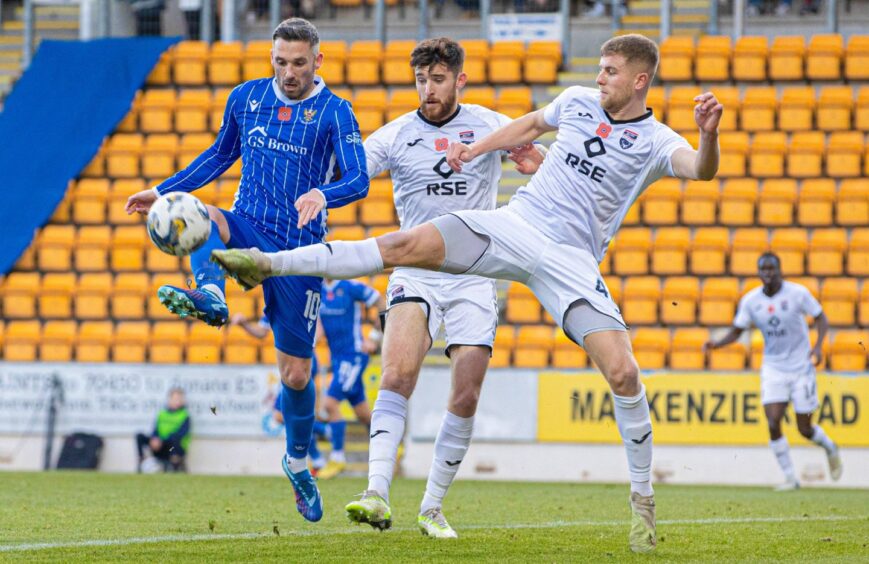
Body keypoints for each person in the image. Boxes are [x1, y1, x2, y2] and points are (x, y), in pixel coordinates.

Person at [212, 33, 722, 553]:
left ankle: (642, 501)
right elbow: (529, 125)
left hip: (572, 261)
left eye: (610, 71)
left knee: (624, 371)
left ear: (639, 80)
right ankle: (268, 264)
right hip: (517, 223)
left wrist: (707, 137)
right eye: (600, 68)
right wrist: (475, 150)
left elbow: (699, 170)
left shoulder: (657, 140)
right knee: (403, 247)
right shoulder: (575, 102)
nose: (599, 77)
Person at [126, 17, 368, 523]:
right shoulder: (247, 97)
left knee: (296, 374)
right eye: (281, 61)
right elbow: (219, 156)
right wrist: (165, 190)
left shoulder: (335, 112)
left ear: (317, 60)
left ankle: (298, 464)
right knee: (205, 214)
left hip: (299, 253)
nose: (289, 72)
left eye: (299, 63)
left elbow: (360, 179)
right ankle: (211, 294)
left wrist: (325, 192)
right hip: (248, 224)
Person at [335, 38, 539, 538]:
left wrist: (533, 164)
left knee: (466, 392)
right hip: (416, 271)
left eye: (438, 79)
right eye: (421, 80)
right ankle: (376, 493)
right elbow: (352, 174)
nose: (428, 89)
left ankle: (431, 507)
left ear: (459, 80)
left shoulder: (490, 124)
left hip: (474, 273)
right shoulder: (397, 134)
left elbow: (540, 161)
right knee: (398, 374)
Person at [703, 253, 842, 490]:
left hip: (801, 367)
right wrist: (717, 344)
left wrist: (818, 347)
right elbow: (738, 330)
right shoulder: (751, 301)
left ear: (780, 270)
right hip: (773, 368)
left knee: (804, 428)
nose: (768, 274)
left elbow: (821, 318)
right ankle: (790, 478)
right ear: (759, 273)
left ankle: (830, 447)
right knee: (773, 421)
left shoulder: (797, 293)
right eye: (763, 270)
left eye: (772, 269)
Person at [230, 311, 328, 474]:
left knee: (282, 414)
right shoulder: (273, 302)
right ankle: (317, 455)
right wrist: (244, 324)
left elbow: (319, 329)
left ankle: (322, 441)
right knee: (286, 414)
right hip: (287, 363)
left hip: (303, 361)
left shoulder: (300, 295)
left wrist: (301, 343)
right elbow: (261, 332)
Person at [315, 278, 385, 480]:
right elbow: (319, 326)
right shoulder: (318, 289)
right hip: (337, 359)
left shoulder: (349, 287)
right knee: (363, 413)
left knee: (330, 404)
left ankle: (337, 458)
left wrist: (374, 337)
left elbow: (380, 301)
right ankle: (388, 447)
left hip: (354, 355)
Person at [136, 387, 191, 472]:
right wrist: (154, 439)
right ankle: (142, 461)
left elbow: (180, 434)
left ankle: (175, 465)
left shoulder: (185, 415)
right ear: (170, 399)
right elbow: (155, 430)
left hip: (172, 448)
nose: (177, 401)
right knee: (139, 436)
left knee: (175, 439)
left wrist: (161, 441)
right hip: (160, 447)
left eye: (179, 399)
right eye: (175, 398)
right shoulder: (162, 414)